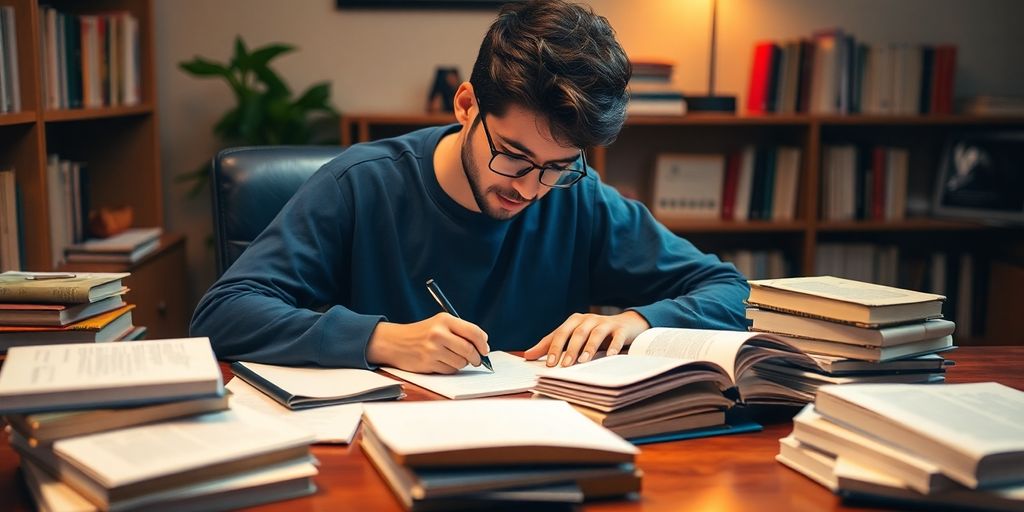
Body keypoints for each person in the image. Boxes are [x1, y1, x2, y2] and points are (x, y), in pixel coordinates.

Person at [190, 0, 749, 374]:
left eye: (557, 165)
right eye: (513, 155)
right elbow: (223, 314)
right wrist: (381, 339)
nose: (530, 189)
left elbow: (731, 290)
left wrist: (638, 320)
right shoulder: (360, 185)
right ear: (466, 106)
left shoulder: (576, 197)